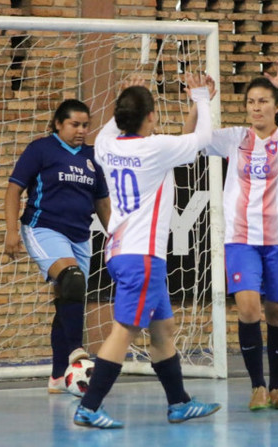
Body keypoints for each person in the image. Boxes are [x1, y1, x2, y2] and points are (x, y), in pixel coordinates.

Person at [72, 75, 220, 429]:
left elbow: (181, 141)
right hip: (141, 256)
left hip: (122, 250)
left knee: (163, 327)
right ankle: (89, 407)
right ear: (151, 117)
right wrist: (201, 97)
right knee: (124, 330)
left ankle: (179, 402)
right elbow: (202, 140)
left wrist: (123, 96)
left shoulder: (107, 145)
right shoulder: (154, 149)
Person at [185, 61, 278, 411]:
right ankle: (256, 385)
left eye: (262, 101)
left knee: (277, 312)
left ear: (275, 106)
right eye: (250, 102)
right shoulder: (235, 138)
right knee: (248, 307)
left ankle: (277, 388)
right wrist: (199, 103)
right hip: (241, 238)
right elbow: (190, 141)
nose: (256, 108)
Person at [4, 99, 111, 394]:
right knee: (72, 279)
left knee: (67, 299)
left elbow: (101, 200)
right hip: (43, 227)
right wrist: (12, 231)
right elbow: (14, 189)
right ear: (58, 124)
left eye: (85, 125)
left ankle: (56, 377)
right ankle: (77, 351)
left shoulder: (92, 157)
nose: (81, 130)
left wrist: (115, 235)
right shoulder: (41, 149)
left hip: (80, 236)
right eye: (74, 124)